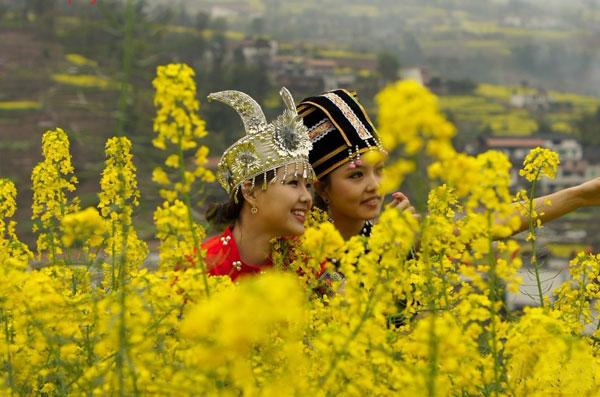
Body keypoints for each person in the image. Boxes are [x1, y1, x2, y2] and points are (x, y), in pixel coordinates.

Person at [297, 89, 600, 240]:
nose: (375, 185)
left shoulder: (392, 237)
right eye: (356, 176)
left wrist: (581, 196)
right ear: (322, 187)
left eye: (379, 171)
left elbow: (490, 225)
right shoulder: (298, 255)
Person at [201, 87, 314, 281]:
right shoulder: (200, 268)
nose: (307, 197)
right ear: (250, 192)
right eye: (294, 182)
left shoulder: (308, 264)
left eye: (308, 185)